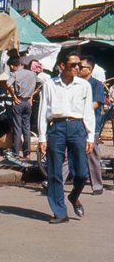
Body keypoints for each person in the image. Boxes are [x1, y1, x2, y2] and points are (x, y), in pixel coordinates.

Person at [38, 52, 95, 224]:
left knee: (82, 172)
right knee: (54, 172)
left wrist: (90, 136)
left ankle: (74, 195)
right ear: (62, 66)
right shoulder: (49, 85)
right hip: (56, 127)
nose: (78, 68)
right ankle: (59, 212)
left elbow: (88, 112)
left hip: (78, 128)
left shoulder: (84, 85)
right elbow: (42, 112)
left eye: (79, 65)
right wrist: (42, 138)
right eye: (73, 65)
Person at [78, 55, 105, 195]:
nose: (78, 69)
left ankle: (97, 185)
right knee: (66, 153)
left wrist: (79, 110)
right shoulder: (76, 83)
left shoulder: (96, 84)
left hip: (91, 126)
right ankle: (56, 182)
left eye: (81, 67)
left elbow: (96, 103)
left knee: (92, 155)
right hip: (75, 124)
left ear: (90, 69)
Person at [6, 52, 36, 160]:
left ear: (13, 66)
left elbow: (8, 84)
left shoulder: (14, 74)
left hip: (19, 101)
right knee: (26, 128)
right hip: (28, 103)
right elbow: (34, 87)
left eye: (11, 67)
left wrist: (14, 96)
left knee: (17, 127)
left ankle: (16, 151)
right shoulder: (32, 74)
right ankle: (27, 153)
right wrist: (31, 97)